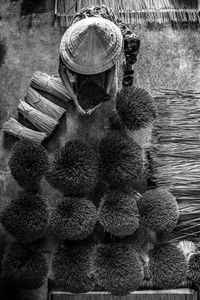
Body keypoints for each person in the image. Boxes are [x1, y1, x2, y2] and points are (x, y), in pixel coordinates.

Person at [59, 16, 123, 115]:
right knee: (78, 77)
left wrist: (103, 96)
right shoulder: (70, 49)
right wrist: (75, 98)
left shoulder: (107, 46)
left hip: (101, 20)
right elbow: (62, 71)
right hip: (83, 20)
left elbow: (111, 69)